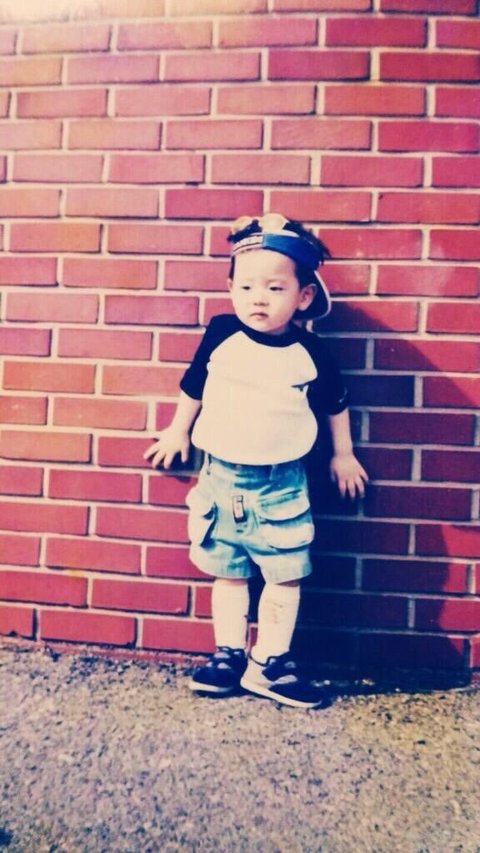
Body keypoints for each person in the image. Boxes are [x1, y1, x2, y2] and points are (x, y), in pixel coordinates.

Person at [144, 213, 368, 709]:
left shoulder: (310, 351)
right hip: (220, 478)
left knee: (285, 573)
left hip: (281, 484)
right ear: (230, 289)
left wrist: (343, 454)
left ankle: (270, 664)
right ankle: (228, 655)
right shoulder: (222, 333)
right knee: (228, 570)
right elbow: (195, 384)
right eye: (245, 287)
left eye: (274, 288)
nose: (258, 298)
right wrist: (178, 430)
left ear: (303, 297)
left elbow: (335, 403)